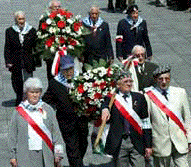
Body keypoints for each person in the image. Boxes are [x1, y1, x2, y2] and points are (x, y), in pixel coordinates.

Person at [42, 54, 89, 167]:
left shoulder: (81, 79)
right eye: (65, 70)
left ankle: (76, 162)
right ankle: (77, 164)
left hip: (82, 119)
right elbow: (45, 100)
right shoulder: (55, 83)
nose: (69, 72)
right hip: (66, 122)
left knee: (83, 144)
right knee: (72, 147)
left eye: (71, 69)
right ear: (61, 70)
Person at [8, 77, 64, 167]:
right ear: (26, 93)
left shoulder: (48, 109)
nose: (35, 95)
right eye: (32, 92)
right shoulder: (18, 112)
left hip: (45, 155)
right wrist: (12, 156)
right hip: (25, 156)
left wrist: (58, 154)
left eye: (37, 92)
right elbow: (12, 136)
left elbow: (56, 133)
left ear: (40, 93)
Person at [101, 71, 152, 166]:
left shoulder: (139, 97)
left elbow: (146, 122)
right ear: (118, 84)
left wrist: (148, 145)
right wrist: (105, 109)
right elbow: (104, 105)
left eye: (130, 81)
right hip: (120, 142)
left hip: (137, 141)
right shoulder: (112, 99)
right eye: (126, 81)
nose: (129, 84)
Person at [144, 65, 191, 167]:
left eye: (167, 79)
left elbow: (187, 118)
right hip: (160, 143)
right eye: (161, 79)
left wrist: (190, 139)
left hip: (179, 141)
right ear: (156, 80)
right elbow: (146, 121)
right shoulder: (149, 96)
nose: (164, 82)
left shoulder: (180, 93)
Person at [4, 11, 37, 106]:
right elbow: (7, 48)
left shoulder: (31, 31)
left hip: (27, 60)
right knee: (16, 80)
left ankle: (28, 99)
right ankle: (19, 97)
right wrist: (8, 61)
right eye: (19, 19)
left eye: (23, 19)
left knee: (29, 81)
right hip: (15, 60)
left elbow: (36, 47)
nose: (21, 21)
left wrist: (36, 60)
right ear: (16, 20)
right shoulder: (9, 31)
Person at [37, 0, 62, 82]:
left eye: (59, 7)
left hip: (62, 53)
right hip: (50, 53)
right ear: (50, 8)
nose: (57, 9)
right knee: (51, 75)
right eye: (55, 7)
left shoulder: (64, 18)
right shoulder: (45, 19)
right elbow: (40, 34)